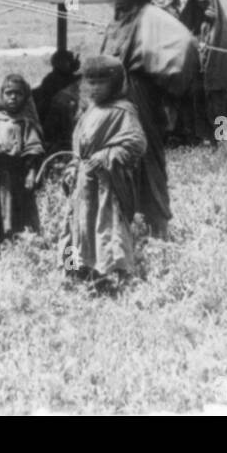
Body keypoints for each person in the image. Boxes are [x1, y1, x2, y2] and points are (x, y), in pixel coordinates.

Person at [99, 0, 199, 238]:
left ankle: (158, 226)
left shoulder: (151, 16)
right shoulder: (119, 20)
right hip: (112, 100)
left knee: (145, 157)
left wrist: (161, 81)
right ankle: (120, 223)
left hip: (138, 98)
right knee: (114, 158)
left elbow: (185, 45)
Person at [61, 54, 147, 293]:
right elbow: (78, 146)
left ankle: (111, 277)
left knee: (106, 228)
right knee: (77, 227)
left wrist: (107, 155)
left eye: (101, 82)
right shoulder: (89, 110)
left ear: (116, 83)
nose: (95, 88)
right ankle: (77, 274)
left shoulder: (124, 111)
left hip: (105, 186)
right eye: (90, 82)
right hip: (83, 183)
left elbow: (136, 143)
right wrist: (73, 166)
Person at [0, 74, 45, 248]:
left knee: (16, 206)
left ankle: (18, 238)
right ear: (1, 95)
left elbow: (33, 150)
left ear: (25, 97)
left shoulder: (26, 123)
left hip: (15, 174)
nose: (13, 97)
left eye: (18, 93)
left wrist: (31, 173)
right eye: (8, 93)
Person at [179, 0, 227, 146]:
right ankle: (209, 138)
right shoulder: (200, 23)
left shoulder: (220, 26)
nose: (203, 7)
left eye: (205, 3)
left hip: (215, 72)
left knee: (218, 108)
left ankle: (222, 137)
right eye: (200, 3)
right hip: (200, 72)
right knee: (201, 106)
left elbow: (222, 47)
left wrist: (207, 48)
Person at [34, 49, 82, 153]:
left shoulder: (69, 77)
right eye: (70, 60)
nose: (74, 62)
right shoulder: (53, 79)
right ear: (60, 63)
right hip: (52, 114)